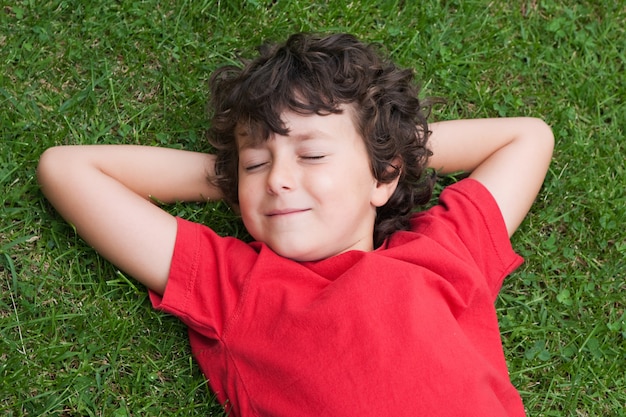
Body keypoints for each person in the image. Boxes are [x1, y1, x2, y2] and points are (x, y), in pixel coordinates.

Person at [37, 33, 554, 417]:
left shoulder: (443, 252)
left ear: (384, 175)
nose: (279, 179)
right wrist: (233, 176)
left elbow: (528, 138)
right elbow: (67, 170)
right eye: (257, 162)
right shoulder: (237, 287)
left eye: (311, 155)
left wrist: (385, 151)